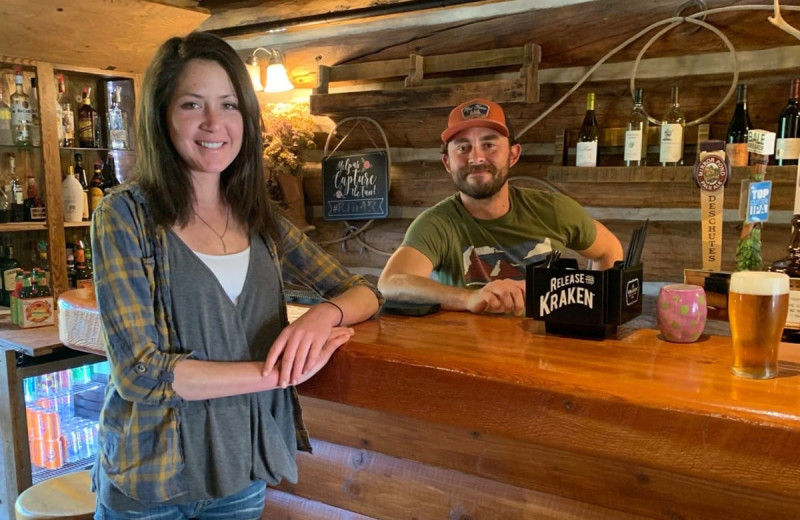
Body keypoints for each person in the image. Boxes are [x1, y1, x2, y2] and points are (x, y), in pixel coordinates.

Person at [90, 32, 382, 519]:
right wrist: (276, 375)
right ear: (161, 117)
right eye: (191, 104)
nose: (213, 123)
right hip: (150, 478)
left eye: (228, 104)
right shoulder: (125, 215)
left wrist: (320, 317)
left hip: (241, 469)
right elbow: (138, 372)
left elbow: (365, 292)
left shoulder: (260, 220)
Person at [378, 98, 622, 316]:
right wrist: (469, 297)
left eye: (489, 145)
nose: (476, 158)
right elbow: (391, 282)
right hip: (470, 356)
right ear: (447, 162)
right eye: (463, 148)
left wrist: (595, 313)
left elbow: (608, 250)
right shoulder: (437, 223)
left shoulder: (554, 210)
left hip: (548, 353)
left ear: (513, 155)